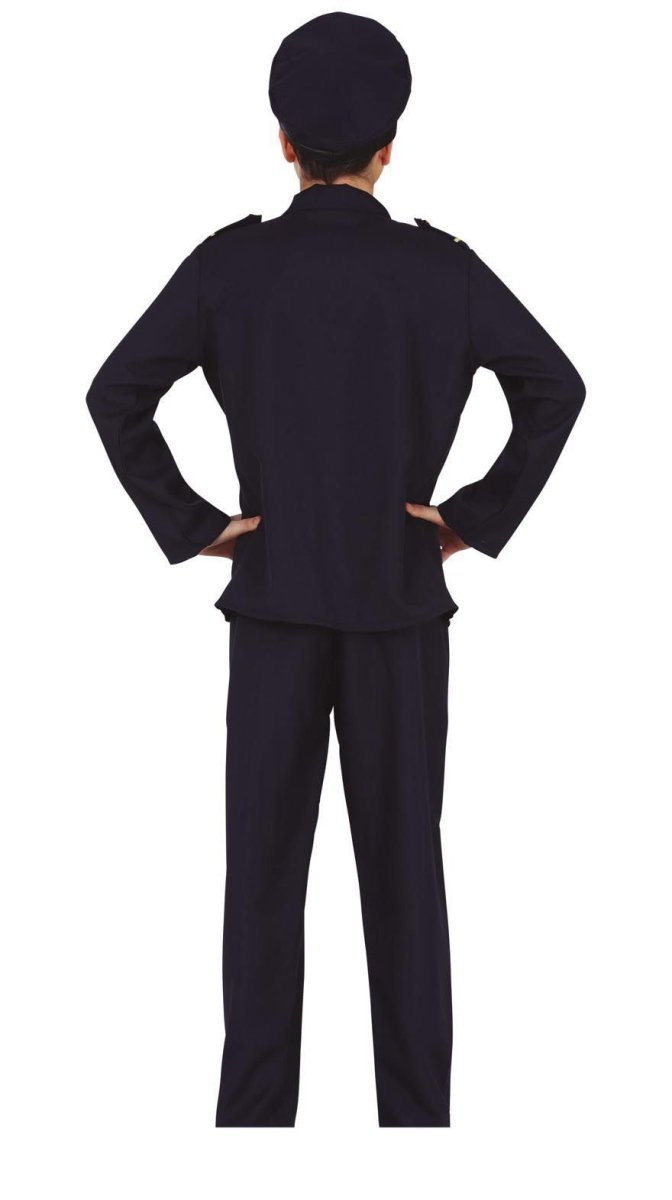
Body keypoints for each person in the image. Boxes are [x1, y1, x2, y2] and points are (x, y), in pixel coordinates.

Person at [86, 12, 585, 1128]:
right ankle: (418, 1135)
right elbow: (556, 388)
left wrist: (200, 526)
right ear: (389, 145)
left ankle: (253, 1135)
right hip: (399, 610)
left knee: (261, 888)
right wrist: (469, 517)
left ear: (283, 142)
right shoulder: (441, 270)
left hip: (272, 609)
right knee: (406, 884)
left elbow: (115, 394)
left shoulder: (232, 265)